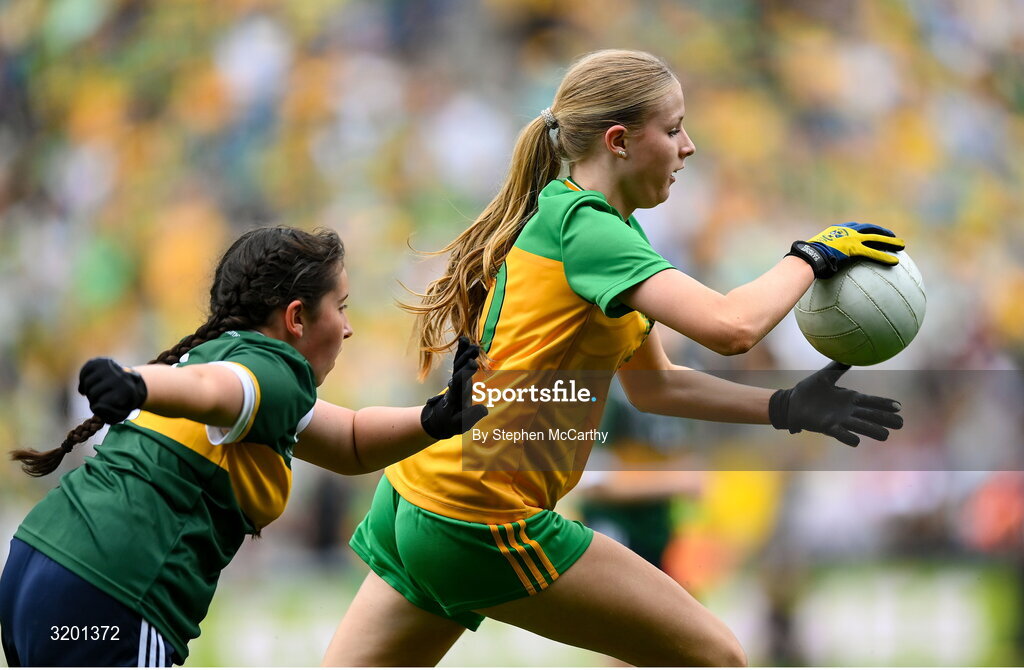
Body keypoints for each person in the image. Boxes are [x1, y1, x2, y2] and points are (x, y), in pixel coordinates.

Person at [321, 49, 905, 667]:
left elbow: (657, 387)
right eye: (674, 128)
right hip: (482, 513)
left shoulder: (599, 229)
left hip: (420, 499)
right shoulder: (589, 228)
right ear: (620, 140)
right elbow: (733, 327)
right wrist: (810, 256)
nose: (690, 146)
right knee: (721, 658)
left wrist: (784, 407)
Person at [0, 226, 486, 667]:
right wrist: (136, 384)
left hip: (37, 564)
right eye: (341, 307)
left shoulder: (233, 357)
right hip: (111, 587)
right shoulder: (273, 371)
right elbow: (218, 390)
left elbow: (351, 440)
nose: (347, 327)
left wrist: (439, 416)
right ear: (297, 318)